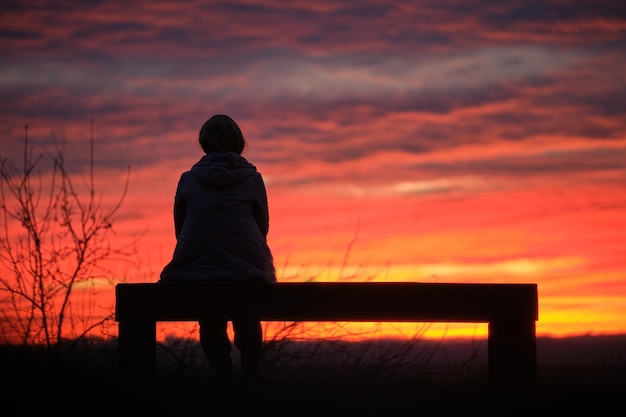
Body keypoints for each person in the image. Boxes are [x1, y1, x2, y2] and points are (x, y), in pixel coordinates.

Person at [159, 114, 276, 382]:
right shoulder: (253, 179)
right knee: (248, 317)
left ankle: (221, 375)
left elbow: (181, 228)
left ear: (204, 143)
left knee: (210, 318)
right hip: (248, 271)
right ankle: (250, 377)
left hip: (195, 271)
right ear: (238, 142)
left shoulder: (188, 180)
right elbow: (262, 227)